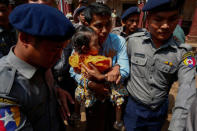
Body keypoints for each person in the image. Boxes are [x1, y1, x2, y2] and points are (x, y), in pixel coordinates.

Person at [0, 4, 75, 130]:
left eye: (62, 48)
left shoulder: (42, 61)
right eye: (54, 49)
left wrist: (56, 91)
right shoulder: (5, 87)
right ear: (25, 39)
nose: (59, 56)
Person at [124, 0, 196, 131]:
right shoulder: (133, 42)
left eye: (172, 19)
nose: (165, 26)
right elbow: (123, 70)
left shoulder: (184, 53)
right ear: (148, 20)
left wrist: (177, 127)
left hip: (159, 111)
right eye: (158, 19)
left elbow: (187, 91)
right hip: (134, 108)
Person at [70, 3, 129, 131]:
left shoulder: (119, 41)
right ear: (87, 25)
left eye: (108, 24)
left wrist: (117, 68)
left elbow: (124, 70)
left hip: (112, 99)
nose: (104, 30)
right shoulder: (82, 41)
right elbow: (73, 70)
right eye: (98, 26)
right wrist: (92, 84)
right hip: (92, 99)